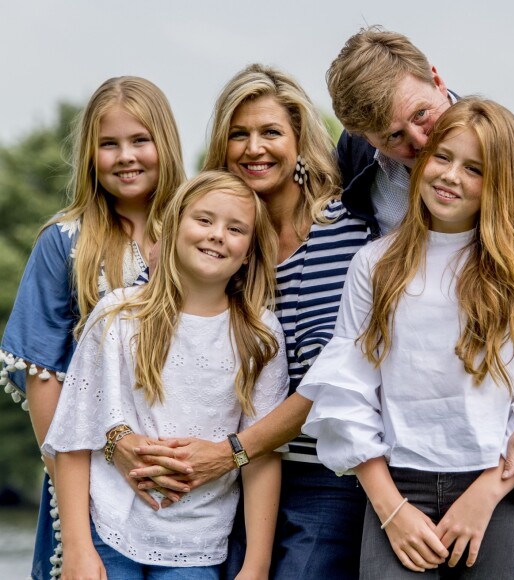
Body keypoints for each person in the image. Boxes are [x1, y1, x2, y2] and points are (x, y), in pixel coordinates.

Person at [326, 26, 514, 578]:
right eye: (391, 137)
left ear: (436, 78)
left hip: (511, 459)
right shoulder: (357, 159)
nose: (417, 145)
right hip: (404, 462)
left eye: (421, 117)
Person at [122, 64, 371, 578]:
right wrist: (121, 440)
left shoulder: (352, 234)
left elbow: (341, 376)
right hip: (218, 484)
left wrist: (232, 452)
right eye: (239, 134)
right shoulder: (219, 240)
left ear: (300, 141)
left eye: (271, 132)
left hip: (328, 475)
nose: (254, 147)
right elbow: (139, 321)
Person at [41, 170, 289, 579]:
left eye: (236, 228)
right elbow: (74, 435)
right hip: (108, 533)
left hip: (197, 545)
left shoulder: (259, 336)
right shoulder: (119, 315)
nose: (216, 235)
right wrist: (77, 549)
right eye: (204, 220)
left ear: (249, 252)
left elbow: (260, 456)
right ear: (173, 228)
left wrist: (257, 565)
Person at [0, 75, 186, 579]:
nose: (125, 156)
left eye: (139, 140)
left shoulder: (201, 234)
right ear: (90, 153)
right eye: (109, 144)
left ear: (164, 142)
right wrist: (79, 538)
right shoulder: (65, 244)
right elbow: (44, 379)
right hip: (93, 492)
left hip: (192, 493)